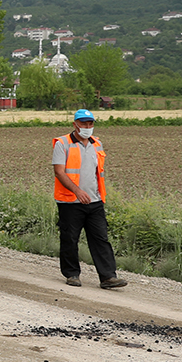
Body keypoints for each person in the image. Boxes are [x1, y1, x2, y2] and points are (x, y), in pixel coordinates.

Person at [52, 109, 127, 289]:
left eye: (90, 123)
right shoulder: (62, 143)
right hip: (70, 201)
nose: (87, 127)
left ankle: (108, 277)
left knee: (101, 238)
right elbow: (59, 172)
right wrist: (77, 191)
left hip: (94, 200)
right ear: (75, 124)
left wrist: (97, 196)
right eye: (84, 123)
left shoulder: (97, 144)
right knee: (70, 238)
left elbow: (97, 172)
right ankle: (72, 274)